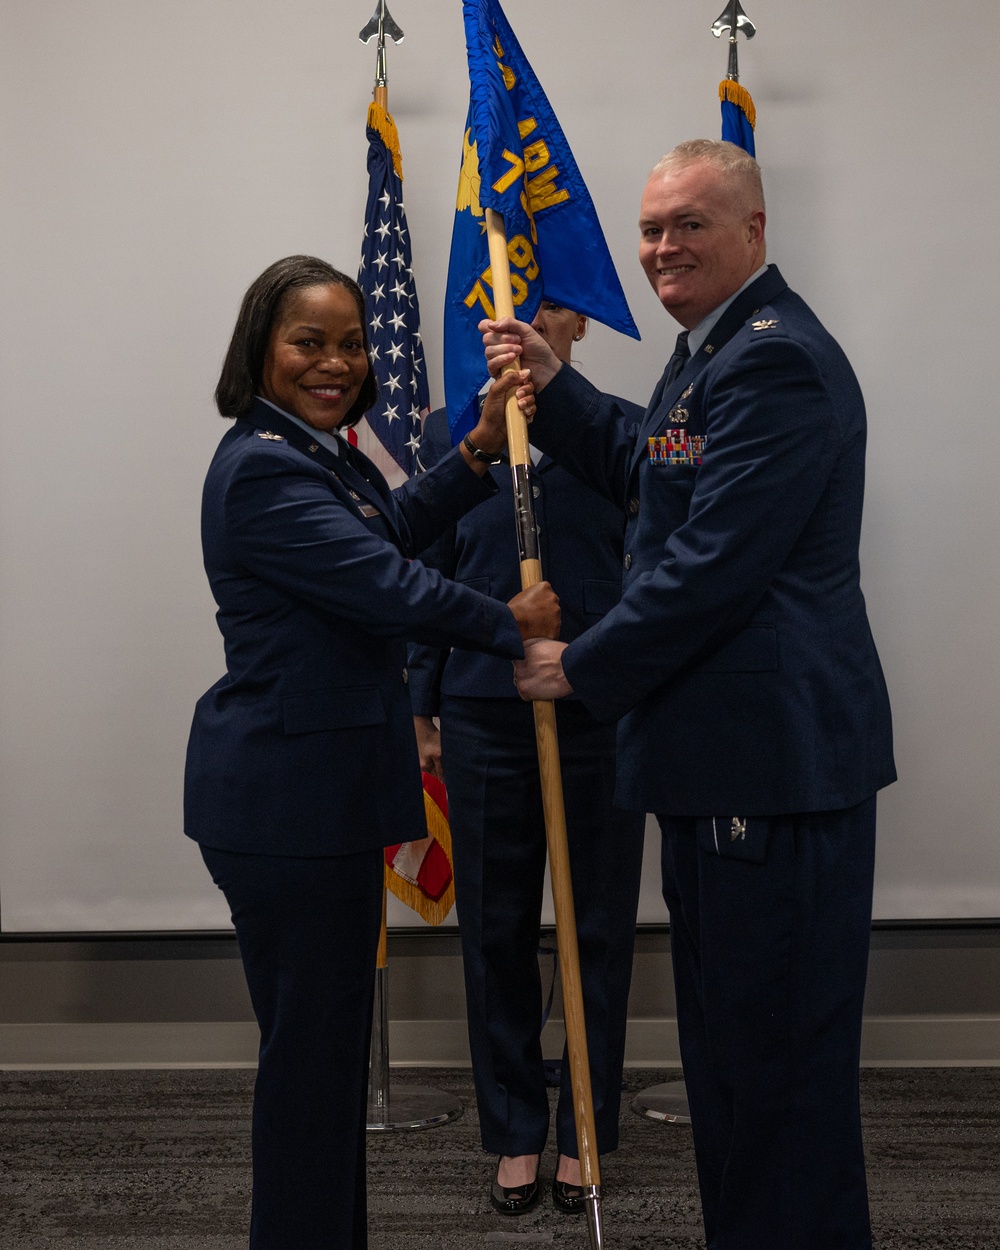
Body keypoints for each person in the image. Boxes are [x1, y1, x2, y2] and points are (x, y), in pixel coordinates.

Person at [483, 141, 896, 1249]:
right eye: (651, 228)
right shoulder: (708, 354)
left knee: (777, 1074)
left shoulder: (773, 361)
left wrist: (583, 662)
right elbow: (652, 463)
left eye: (689, 226)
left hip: (768, 772)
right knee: (733, 1067)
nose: (662, 247)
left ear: (753, 231)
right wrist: (557, 387)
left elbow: (711, 561)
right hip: (723, 767)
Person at [183, 255, 558, 1250]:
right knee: (311, 1070)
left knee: (323, 1064)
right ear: (260, 346)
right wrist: (510, 622)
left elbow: (385, 527)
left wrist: (474, 455)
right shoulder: (265, 464)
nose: (337, 360)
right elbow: (390, 585)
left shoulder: (317, 453)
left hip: (315, 800)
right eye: (309, 340)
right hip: (286, 804)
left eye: (351, 340)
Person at [409, 300, 646, 1216]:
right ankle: (512, 1128)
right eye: (508, 303)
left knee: (595, 928)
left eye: (547, 303)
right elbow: (424, 565)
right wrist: (422, 703)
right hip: (482, 708)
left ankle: (588, 1128)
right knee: (496, 930)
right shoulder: (447, 432)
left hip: (595, 706)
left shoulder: (619, 431)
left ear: (577, 326)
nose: (522, 317)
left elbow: (655, 566)